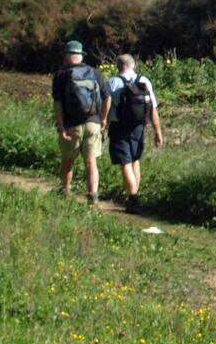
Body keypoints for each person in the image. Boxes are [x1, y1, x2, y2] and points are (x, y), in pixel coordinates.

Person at [102, 53, 164, 215]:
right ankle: (135, 195)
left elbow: (106, 106)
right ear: (134, 65)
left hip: (119, 127)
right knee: (135, 160)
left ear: (118, 66)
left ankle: (133, 198)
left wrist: (103, 124)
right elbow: (152, 109)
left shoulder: (112, 82)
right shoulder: (144, 81)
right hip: (138, 126)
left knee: (125, 163)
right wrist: (158, 132)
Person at [50, 40, 107, 205]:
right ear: (81, 56)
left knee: (68, 160)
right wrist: (103, 118)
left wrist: (61, 127)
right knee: (91, 162)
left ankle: (66, 191)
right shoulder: (95, 73)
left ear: (66, 57)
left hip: (71, 125)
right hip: (93, 123)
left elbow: (58, 104)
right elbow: (107, 97)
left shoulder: (61, 75)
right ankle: (93, 196)